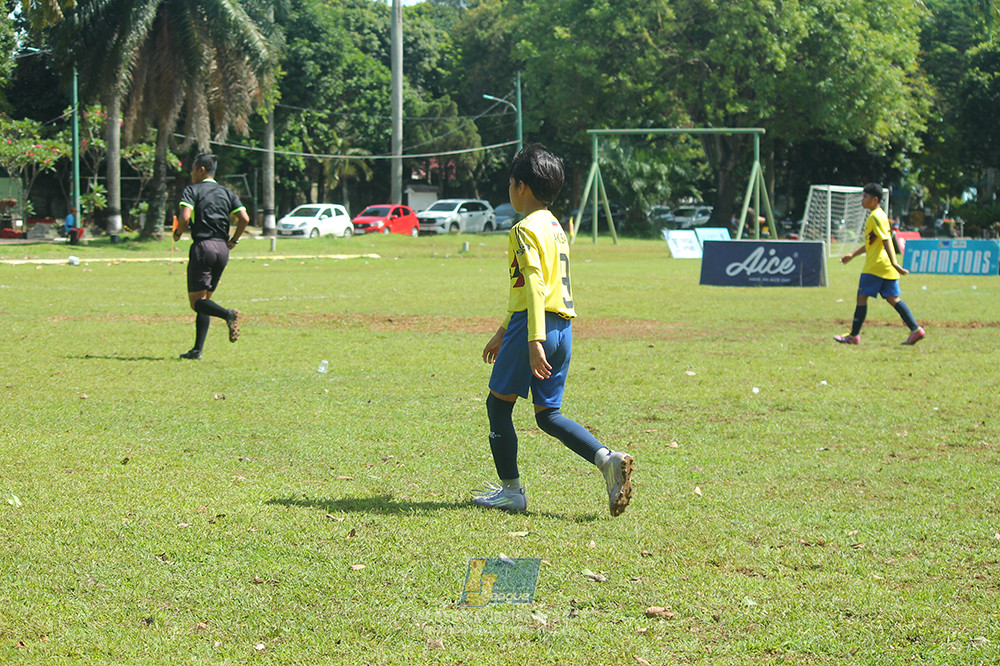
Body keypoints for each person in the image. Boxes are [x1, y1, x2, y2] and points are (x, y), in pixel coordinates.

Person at [475, 144, 634, 516]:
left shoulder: (523, 228)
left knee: (497, 407)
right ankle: (607, 459)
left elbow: (532, 284)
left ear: (522, 187)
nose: (509, 190)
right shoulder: (556, 228)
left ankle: (511, 491)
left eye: (511, 183)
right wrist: (502, 330)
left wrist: (532, 338)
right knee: (548, 415)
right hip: (563, 327)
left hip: (536, 327)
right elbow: (530, 286)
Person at [172, 153, 249, 360]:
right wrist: (234, 240)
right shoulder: (227, 192)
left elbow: (185, 217)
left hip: (203, 247)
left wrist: (178, 233)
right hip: (222, 249)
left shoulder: (192, 190)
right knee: (205, 299)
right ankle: (197, 350)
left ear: (201, 170)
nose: (191, 174)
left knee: (196, 302)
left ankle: (228, 314)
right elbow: (244, 218)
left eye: (193, 170)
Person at [835, 183, 925, 346]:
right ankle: (915, 329)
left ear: (875, 199)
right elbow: (873, 242)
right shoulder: (881, 215)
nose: (862, 200)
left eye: (865, 197)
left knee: (862, 297)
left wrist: (895, 263)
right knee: (893, 299)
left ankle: (854, 335)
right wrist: (853, 255)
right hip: (885, 266)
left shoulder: (874, 217)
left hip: (876, 266)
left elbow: (886, 240)